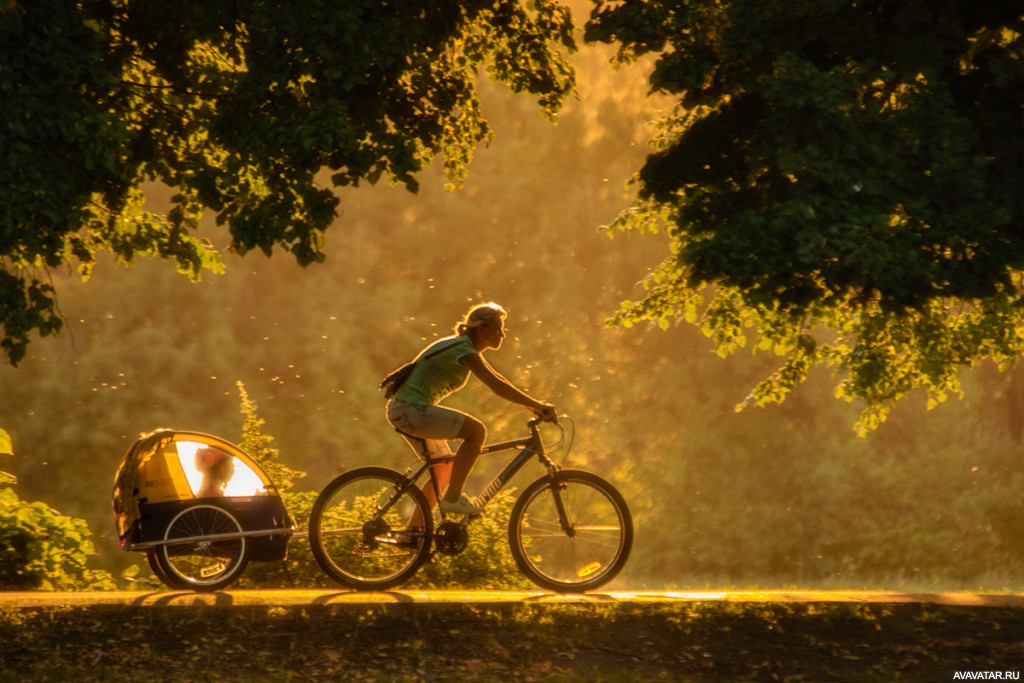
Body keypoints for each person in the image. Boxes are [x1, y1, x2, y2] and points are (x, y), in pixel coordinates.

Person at [386, 302, 557, 515]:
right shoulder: (462, 349)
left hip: (404, 410)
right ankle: (452, 498)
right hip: (410, 409)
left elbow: (499, 379)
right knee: (476, 432)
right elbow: (496, 385)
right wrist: (538, 405)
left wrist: (532, 406)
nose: (502, 335)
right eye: (498, 328)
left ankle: (416, 535)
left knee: (444, 470)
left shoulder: (463, 346)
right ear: (482, 328)